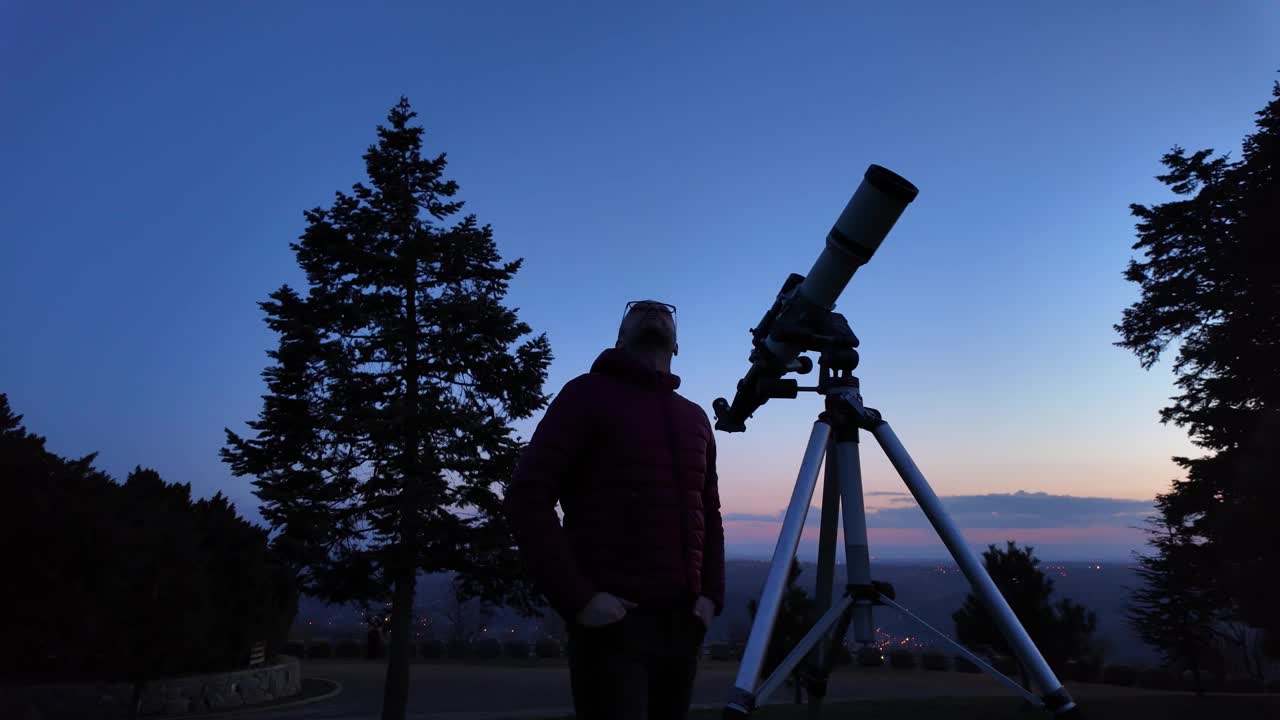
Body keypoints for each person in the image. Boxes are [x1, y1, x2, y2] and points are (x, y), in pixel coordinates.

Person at [504, 299, 726, 720]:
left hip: (683, 624)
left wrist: (712, 596)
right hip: (614, 624)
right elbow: (526, 496)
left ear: (677, 345)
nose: (654, 310)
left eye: (665, 311)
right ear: (620, 337)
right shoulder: (585, 395)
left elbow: (709, 511)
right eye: (639, 310)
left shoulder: (696, 419)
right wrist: (580, 599)